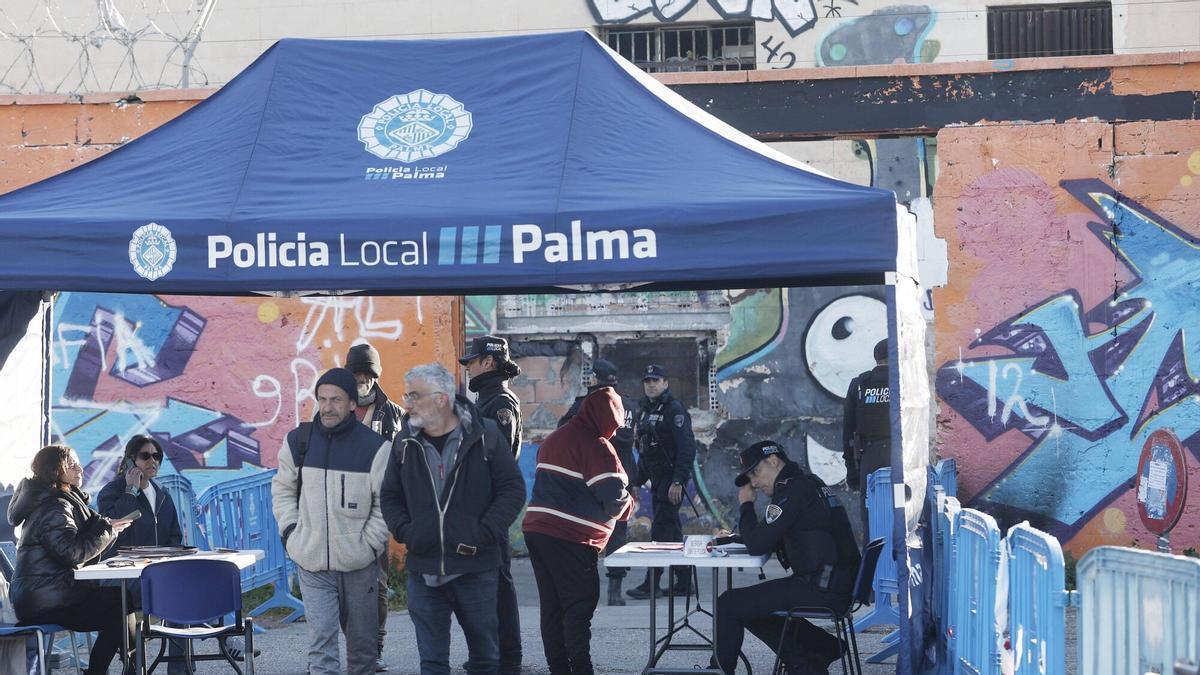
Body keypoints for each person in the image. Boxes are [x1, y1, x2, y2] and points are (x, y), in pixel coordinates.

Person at [381, 363, 525, 675]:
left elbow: (512, 490)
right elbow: (389, 495)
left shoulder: (484, 435)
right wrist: (407, 531)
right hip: (424, 570)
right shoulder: (404, 441)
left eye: (415, 396)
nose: (408, 403)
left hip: (476, 569)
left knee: (485, 661)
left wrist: (483, 532)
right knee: (432, 664)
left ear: (441, 399)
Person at [271, 367, 391, 675]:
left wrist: (368, 546)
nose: (327, 406)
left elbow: (386, 504)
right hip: (311, 563)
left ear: (352, 403)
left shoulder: (375, 447)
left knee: (362, 651)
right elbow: (283, 492)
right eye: (322, 399)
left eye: (335, 400)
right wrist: (292, 534)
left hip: (360, 565)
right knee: (321, 649)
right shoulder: (298, 441)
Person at [712, 441, 861, 675]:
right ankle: (817, 651)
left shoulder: (792, 492)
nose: (755, 483)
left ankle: (722, 670)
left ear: (773, 461)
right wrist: (736, 538)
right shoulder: (808, 484)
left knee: (730, 604)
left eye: (756, 472)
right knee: (748, 604)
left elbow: (758, 544)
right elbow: (770, 536)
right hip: (836, 583)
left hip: (823, 588)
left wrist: (746, 506)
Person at [525, 386, 633, 675]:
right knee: (579, 606)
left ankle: (558, 668)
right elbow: (614, 501)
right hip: (571, 538)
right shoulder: (596, 445)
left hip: (537, 530)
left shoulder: (554, 438)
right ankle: (581, 668)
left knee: (552, 607)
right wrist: (629, 503)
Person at [8, 444, 135, 675]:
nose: (80, 469)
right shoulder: (54, 507)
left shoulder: (58, 501)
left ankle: (127, 668)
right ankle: (111, 670)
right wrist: (106, 531)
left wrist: (107, 529)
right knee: (122, 603)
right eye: (72, 465)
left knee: (121, 600)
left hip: (48, 595)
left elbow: (77, 545)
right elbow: (72, 552)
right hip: (46, 601)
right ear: (56, 470)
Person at [96, 435, 187, 674]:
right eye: (145, 456)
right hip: (120, 577)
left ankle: (179, 670)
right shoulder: (112, 493)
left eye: (157, 456)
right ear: (130, 460)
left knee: (183, 590)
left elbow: (175, 538)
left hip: (156, 575)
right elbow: (111, 529)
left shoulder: (163, 495)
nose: (152, 461)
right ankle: (223, 637)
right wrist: (131, 490)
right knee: (176, 592)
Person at [460, 334, 523, 673]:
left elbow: (492, 461)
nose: (468, 367)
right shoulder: (483, 401)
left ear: (488, 362)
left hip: (490, 509)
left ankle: (507, 659)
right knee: (482, 584)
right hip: (478, 508)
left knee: (496, 584)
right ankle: (490, 656)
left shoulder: (499, 404)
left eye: (471, 360)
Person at [557, 359, 639, 606]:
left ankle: (584, 585)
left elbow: (564, 432)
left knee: (586, 530)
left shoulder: (584, 405)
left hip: (591, 477)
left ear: (594, 379)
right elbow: (633, 438)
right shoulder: (630, 405)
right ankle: (615, 590)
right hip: (621, 477)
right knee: (617, 532)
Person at [345, 342, 406, 673]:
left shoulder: (393, 414)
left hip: (378, 511)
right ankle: (355, 644)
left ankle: (375, 648)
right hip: (339, 512)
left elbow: (404, 463)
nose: (362, 380)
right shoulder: (332, 408)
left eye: (367, 373)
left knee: (376, 582)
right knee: (341, 583)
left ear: (376, 375)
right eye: (356, 373)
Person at [626, 364, 696, 600]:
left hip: (670, 480)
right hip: (656, 480)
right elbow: (647, 452)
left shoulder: (674, 410)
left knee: (660, 531)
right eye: (648, 381)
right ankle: (685, 583)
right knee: (672, 532)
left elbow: (687, 449)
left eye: (656, 380)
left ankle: (651, 584)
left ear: (665, 383)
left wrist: (678, 481)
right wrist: (637, 480)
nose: (651, 385)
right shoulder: (644, 410)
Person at [842, 339, 891, 543]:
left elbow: (847, 431)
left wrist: (851, 469)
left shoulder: (860, 384)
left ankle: (872, 570)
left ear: (876, 358)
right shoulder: (904, 381)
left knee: (870, 516)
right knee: (902, 512)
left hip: (869, 458)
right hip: (899, 456)